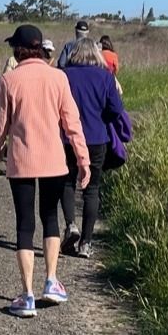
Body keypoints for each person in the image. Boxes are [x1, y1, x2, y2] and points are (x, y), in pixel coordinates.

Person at [0, 24, 90, 318]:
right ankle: (52, 281)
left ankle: (27, 294)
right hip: (54, 161)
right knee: (50, 218)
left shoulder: (8, 80)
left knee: (24, 224)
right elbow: (72, 124)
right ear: (41, 48)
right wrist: (82, 160)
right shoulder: (58, 77)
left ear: (18, 49)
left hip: (21, 162)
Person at [60, 39, 125, 258]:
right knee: (92, 188)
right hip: (97, 138)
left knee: (67, 181)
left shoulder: (65, 75)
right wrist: (101, 119)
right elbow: (116, 109)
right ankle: (86, 243)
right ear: (96, 54)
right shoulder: (105, 77)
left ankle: (71, 225)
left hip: (68, 136)